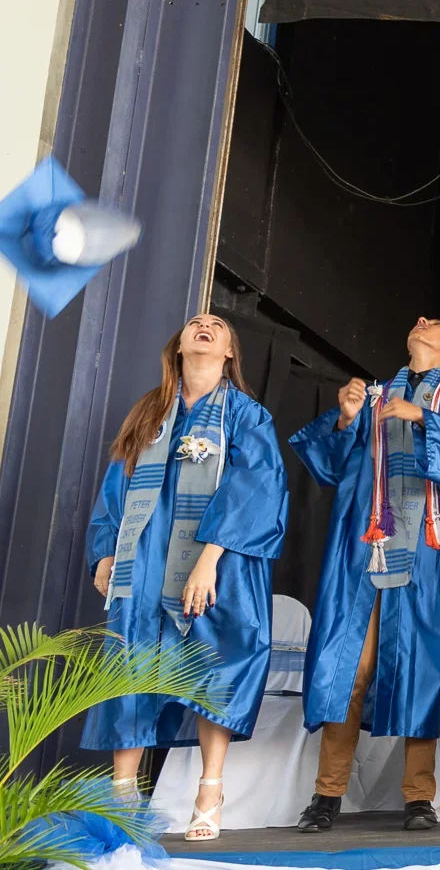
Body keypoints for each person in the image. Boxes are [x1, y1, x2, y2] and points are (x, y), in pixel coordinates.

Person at [84, 314, 288, 842]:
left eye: (216, 325)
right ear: (178, 347)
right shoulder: (149, 413)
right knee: (133, 661)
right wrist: (106, 553)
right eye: (195, 323)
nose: (204, 325)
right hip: (147, 555)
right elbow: (117, 486)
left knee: (211, 667)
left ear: (228, 353)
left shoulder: (245, 415)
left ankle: (209, 788)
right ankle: (123, 795)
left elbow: (257, 487)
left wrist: (207, 557)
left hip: (218, 558)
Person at [291, 317, 440, 833]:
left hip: (423, 549)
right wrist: (346, 417)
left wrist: (423, 416)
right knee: (348, 669)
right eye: (418, 320)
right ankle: (326, 795)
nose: (421, 321)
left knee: (419, 666)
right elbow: (331, 466)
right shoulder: (376, 393)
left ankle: (418, 798)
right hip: (364, 547)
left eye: (436, 323)